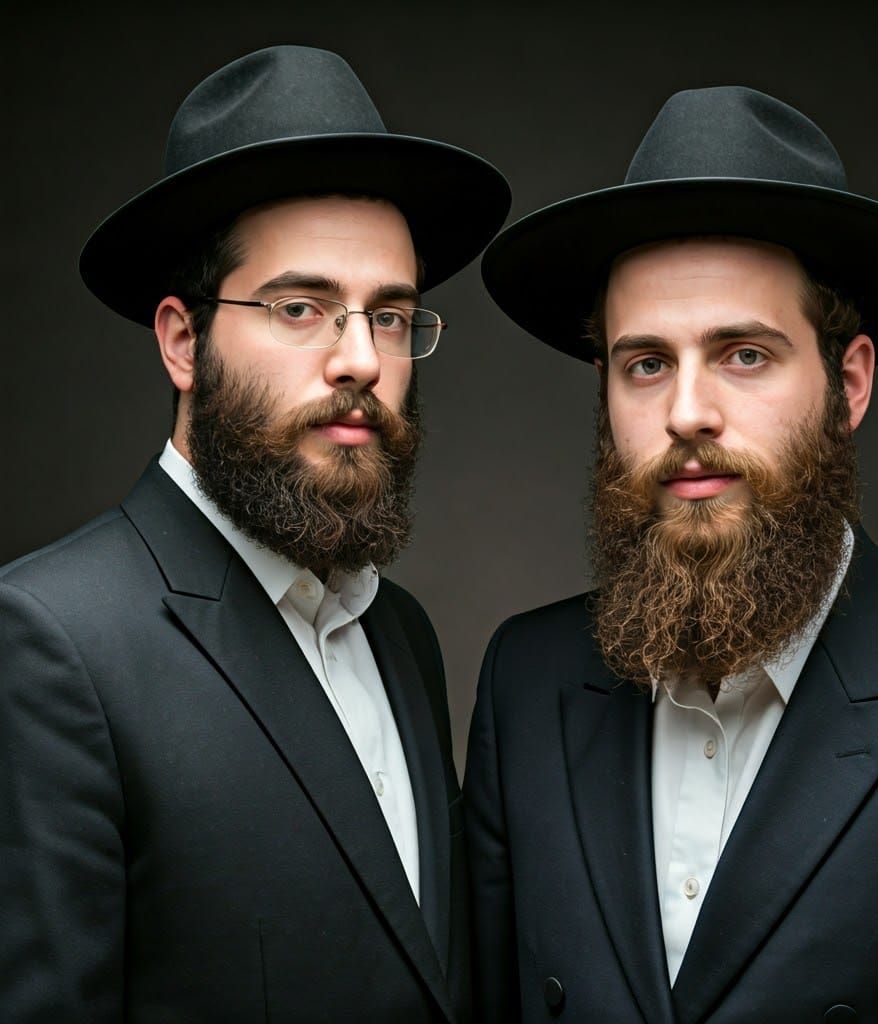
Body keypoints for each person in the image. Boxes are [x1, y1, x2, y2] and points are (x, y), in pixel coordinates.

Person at [466, 86, 878, 1022]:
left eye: (744, 355)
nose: (687, 413)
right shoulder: (527, 681)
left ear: (849, 384)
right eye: (646, 363)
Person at [0, 45, 508, 1023]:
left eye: (391, 316)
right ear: (183, 341)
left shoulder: (397, 632)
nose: (359, 358)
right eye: (301, 307)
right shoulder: (46, 644)